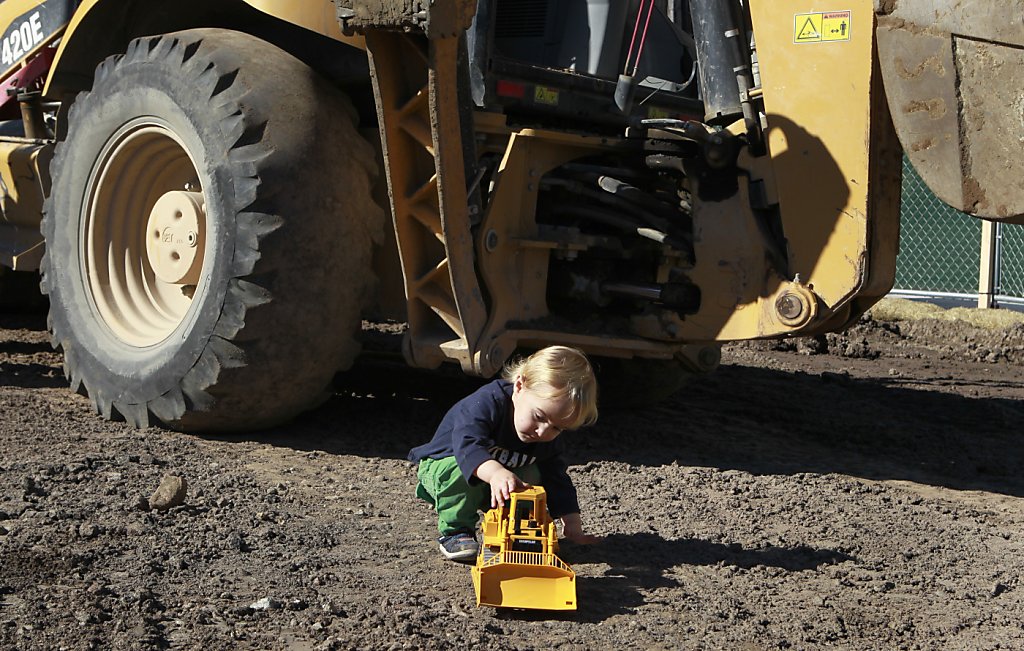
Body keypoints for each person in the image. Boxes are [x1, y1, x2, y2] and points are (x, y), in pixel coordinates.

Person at [408, 345, 600, 561]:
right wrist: (496, 473)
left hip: (497, 480)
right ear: (519, 386)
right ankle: (456, 532)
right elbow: (468, 445)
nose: (543, 431)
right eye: (539, 416)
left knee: (534, 475)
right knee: (458, 471)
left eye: (557, 428)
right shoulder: (486, 403)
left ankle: (513, 531)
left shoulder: (544, 436)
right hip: (446, 469)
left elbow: (556, 476)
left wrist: (572, 521)